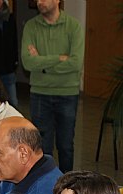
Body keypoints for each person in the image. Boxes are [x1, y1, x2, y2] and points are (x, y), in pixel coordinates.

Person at [21, 0, 84, 172]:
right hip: (40, 93)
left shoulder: (74, 26)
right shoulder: (31, 27)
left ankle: (68, 187)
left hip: (67, 93)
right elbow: (27, 62)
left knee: (65, 146)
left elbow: (76, 63)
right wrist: (59, 58)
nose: (40, 2)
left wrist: (41, 64)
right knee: (42, 147)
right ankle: (44, 185)